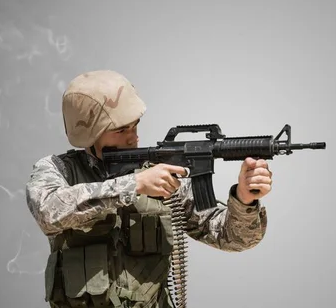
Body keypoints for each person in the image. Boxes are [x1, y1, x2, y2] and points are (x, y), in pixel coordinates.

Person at [25, 70, 271, 308]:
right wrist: (135, 184)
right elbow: (48, 212)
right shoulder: (60, 170)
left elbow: (231, 238)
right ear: (90, 134)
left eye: (134, 126)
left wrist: (244, 200)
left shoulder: (160, 176)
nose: (134, 138)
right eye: (121, 130)